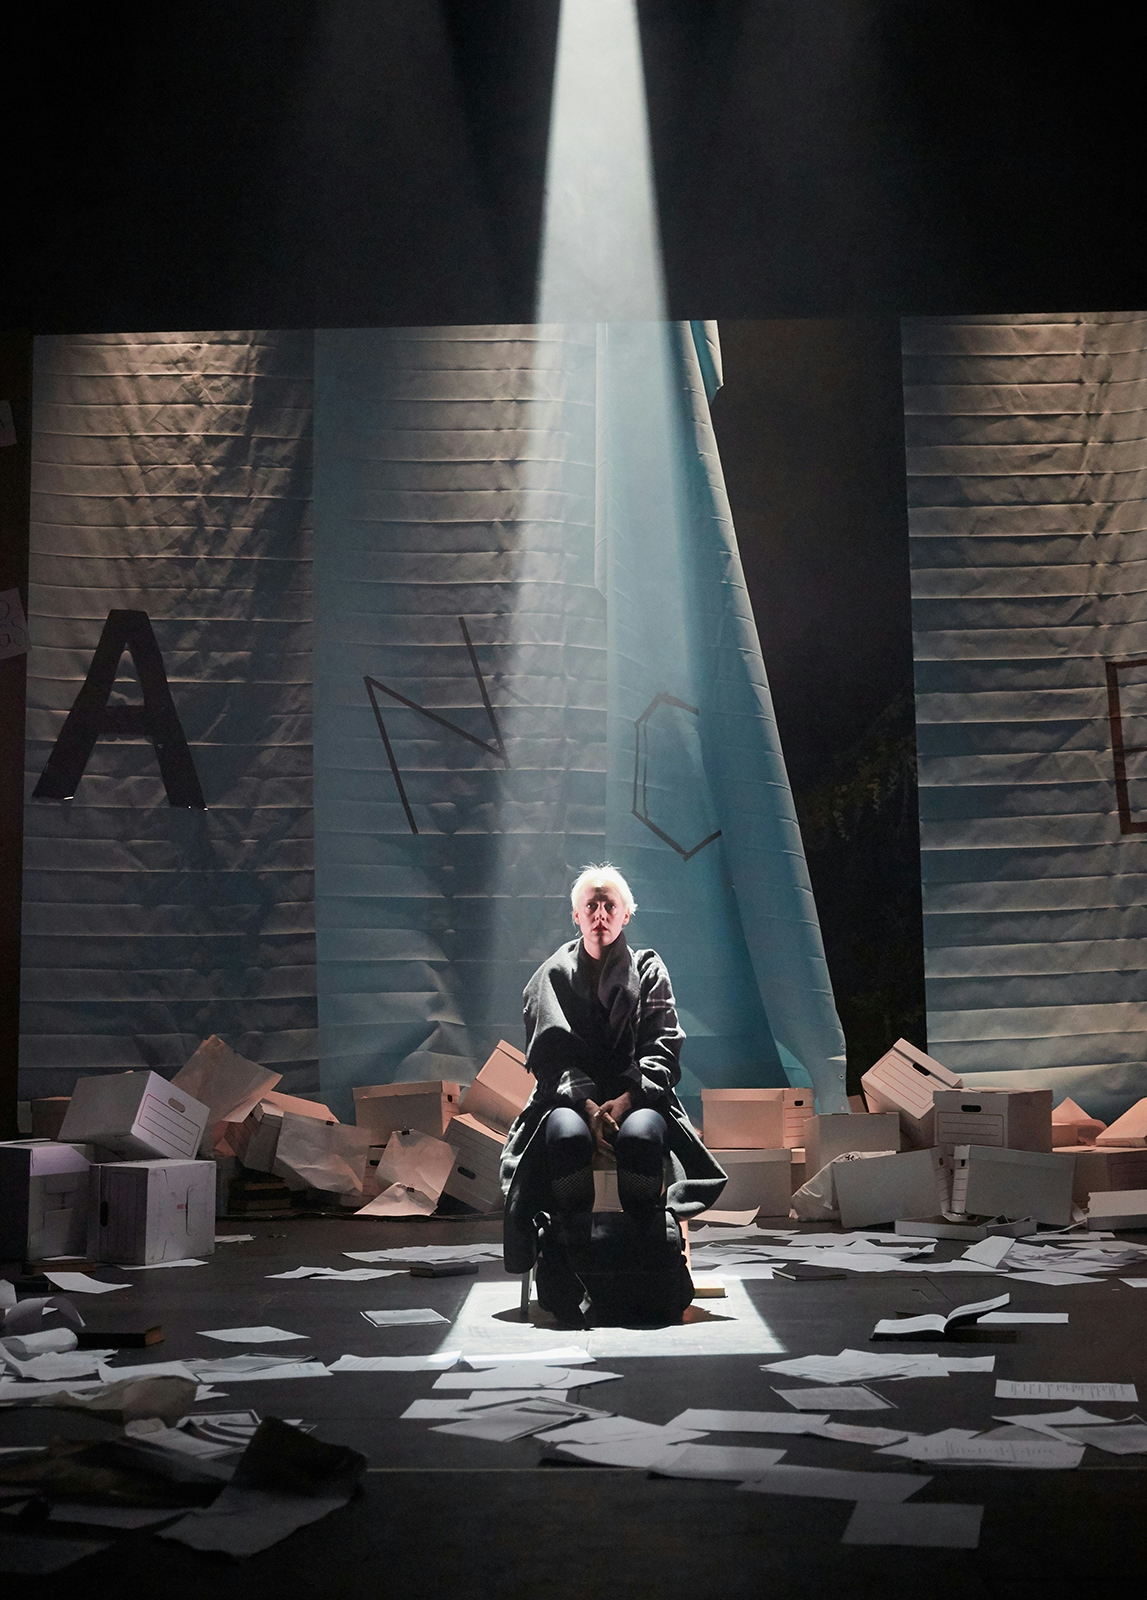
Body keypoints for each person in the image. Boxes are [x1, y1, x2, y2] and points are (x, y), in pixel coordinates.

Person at [501, 864, 727, 1276]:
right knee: (566, 1136)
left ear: (626, 914)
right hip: (570, 1101)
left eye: (610, 905)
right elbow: (549, 1061)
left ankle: (647, 1251)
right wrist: (589, 1108)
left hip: (638, 1097)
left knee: (641, 1137)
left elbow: (663, 1049)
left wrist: (623, 1102)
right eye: (591, 906)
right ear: (576, 916)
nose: (600, 914)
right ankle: (569, 1251)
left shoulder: (648, 970)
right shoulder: (550, 976)